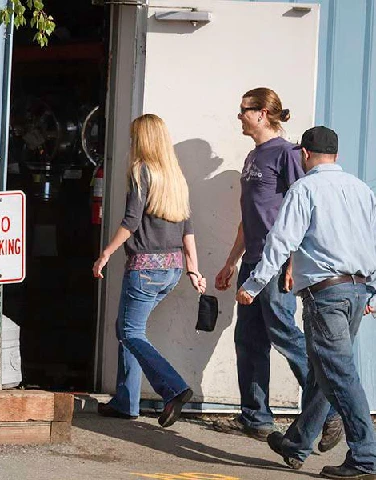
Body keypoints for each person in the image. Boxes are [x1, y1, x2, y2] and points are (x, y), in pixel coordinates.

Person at [236, 126, 376, 479]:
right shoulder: (362, 190)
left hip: (326, 293)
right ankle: (297, 443)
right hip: (357, 290)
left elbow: (280, 242)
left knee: (339, 374)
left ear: (305, 154)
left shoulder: (305, 188)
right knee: (321, 371)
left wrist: (254, 284)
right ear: (337, 155)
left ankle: (365, 456)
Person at [213, 88, 342, 449]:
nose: (239, 116)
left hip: (277, 262)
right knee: (248, 339)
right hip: (253, 261)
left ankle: (329, 411)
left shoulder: (285, 153)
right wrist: (231, 260)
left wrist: (293, 262)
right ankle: (255, 417)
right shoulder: (254, 155)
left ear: (262, 113)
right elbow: (249, 215)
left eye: (244, 110)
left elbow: (302, 211)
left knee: (284, 333)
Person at [93, 113, 206, 427]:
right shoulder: (174, 176)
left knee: (129, 331)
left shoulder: (141, 171)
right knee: (129, 329)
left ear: (141, 139)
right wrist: (193, 270)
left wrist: (106, 253)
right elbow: (188, 229)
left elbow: (131, 221)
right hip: (171, 269)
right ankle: (126, 401)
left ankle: (173, 389)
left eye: (133, 137)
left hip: (145, 270)